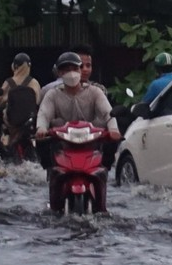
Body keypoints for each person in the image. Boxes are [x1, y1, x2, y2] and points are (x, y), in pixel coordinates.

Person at [35, 51, 119, 213]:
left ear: (81, 70)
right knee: (46, 151)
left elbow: (108, 113)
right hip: (63, 146)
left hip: (91, 145)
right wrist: (41, 128)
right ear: (59, 73)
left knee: (109, 150)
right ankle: (54, 204)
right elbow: (44, 114)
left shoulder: (95, 92)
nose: (71, 73)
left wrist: (113, 129)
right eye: (65, 69)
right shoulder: (53, 94)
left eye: (74, 68)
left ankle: (101, 207)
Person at [0, 53, 41, 161]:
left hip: (11, 121)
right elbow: (38, 101)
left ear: (15, 66)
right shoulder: (34, 82)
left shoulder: (9, 82)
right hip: (30, 121)